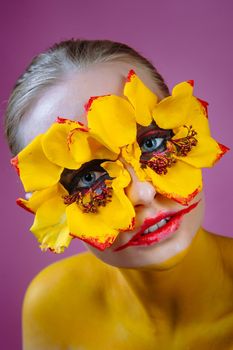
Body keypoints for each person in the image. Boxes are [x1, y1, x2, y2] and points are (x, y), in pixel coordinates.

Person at [5, 39, 233, 350]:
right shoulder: (53, 308)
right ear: (48, 208)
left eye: (152, 142)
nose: (142, 191)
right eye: (88, 177)